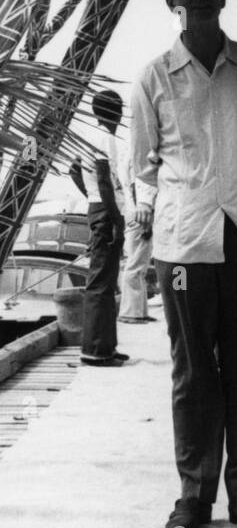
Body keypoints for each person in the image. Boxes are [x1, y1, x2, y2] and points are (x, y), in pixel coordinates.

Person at [130, 0, 237, 528]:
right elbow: (142, 165)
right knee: (193, 373)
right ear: (173, 1)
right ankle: (193, 497)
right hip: (184, 243)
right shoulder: (155, 77)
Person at [78, 90, 129, 368]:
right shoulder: (106, 138)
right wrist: (116, 219)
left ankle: (105, 346)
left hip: (96, 208)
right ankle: (96, 351)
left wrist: (90, 197)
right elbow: (104, 179)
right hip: (106, 212)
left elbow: (76, 170)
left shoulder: (87, 136)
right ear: (117, 112)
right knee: (101, 284)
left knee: (106, 282)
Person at [117, 126, 156, 324]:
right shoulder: (136, 155)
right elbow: (136, 186)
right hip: (140, 215)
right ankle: (130, 312)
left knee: (138, 264)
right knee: (136, 265)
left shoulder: (126, 154)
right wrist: (147, 220)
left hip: (132, 213)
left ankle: (139, 310)